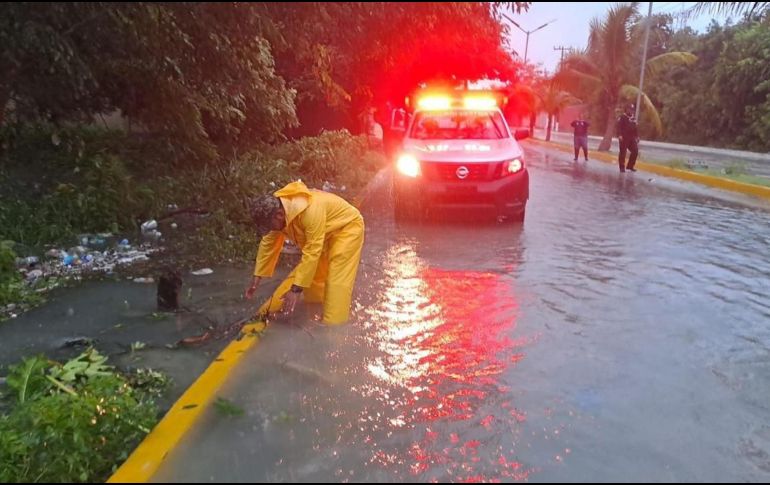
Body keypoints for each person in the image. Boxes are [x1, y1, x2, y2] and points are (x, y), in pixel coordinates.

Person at [245, 181, 365, 325]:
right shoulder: (279, 208)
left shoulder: (310, 211)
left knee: (336, 280)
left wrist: (295, 290)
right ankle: (315, 310)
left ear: (279, 215)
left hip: (347, 227)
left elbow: (312, 251)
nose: (270, 229)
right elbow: (269, 242)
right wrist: (257, 276)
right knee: (314, 279)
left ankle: (333, 328)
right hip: (323, 234)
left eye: (269, 226)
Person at [616, 104, 640, 172]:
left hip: (631, 138)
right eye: (629, 109)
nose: (631, 111)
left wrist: (637, 136)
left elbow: (635, 128)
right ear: (626, 109)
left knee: (635, 150)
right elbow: (619, 127)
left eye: (632, 109)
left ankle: (630, 166)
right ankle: (622, 167)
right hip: (624, 137)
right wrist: (619, 135)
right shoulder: (622, 117)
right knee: (623, 152)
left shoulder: (633, 118)